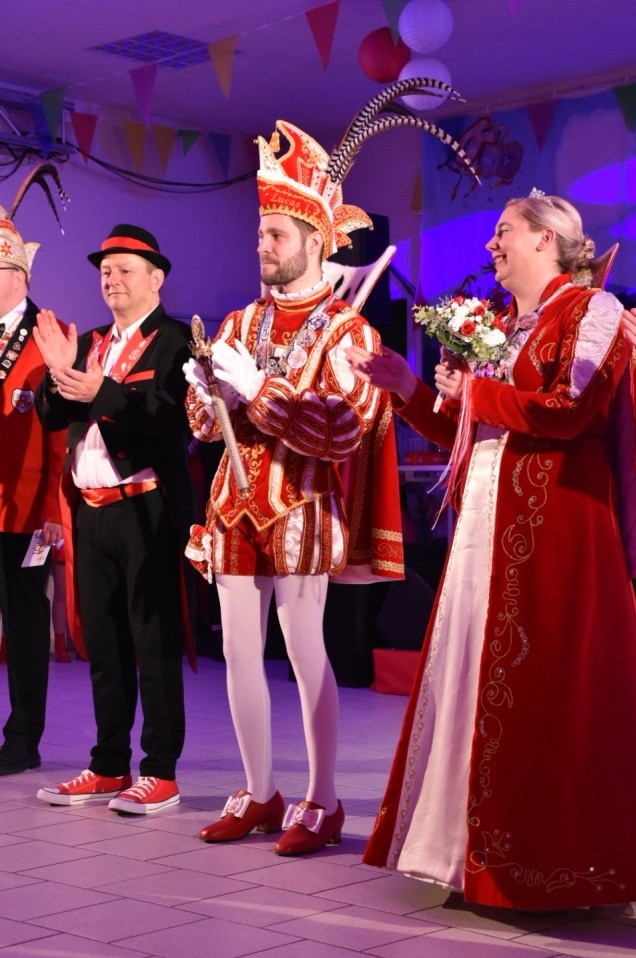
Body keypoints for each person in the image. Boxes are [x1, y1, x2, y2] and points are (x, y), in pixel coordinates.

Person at [348, 190, 636, 910]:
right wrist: (409, 389)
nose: (491, 245)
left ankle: (553, 864)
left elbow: (571, 411)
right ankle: (467, 853)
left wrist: (475, 391)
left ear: (546, 239)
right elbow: (473, 431)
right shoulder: (505, 326)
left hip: (556, 526)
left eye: (504, 231)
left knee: (549, 684)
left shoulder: (590, 311)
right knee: (476, 675)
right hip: (486, 529)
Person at [183, 117, 404, 855]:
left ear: (316, 240)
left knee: (305, 652)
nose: (263, 245)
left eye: (277, 234)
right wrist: (209, 393)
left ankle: (324, 799)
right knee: (238, 653)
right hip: (231, 506)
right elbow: (203, 426)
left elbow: (342, 430)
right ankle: (258, 790)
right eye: (260, 234)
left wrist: (257, 393)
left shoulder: (349, 332)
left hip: (302, 505)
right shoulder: (239, 320)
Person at [33, 224, 194, 814]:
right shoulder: (91, 340)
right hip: (92, 510)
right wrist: (58, 374)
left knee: (154, 642)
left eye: (125, 269)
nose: (112, 279)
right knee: (103, 644)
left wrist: (102, 390)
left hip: (147, 508)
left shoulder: (176, 341)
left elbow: (169, 421)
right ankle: (107, 764)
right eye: (106, 270)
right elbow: (52, 417)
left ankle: (161, 771)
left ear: (157, 278)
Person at [0, 167, 68, 776]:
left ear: (19, 277)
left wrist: (52, 511)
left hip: (27, 510)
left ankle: (23, 737)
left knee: (24, 626)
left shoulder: (51, 335)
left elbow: (59, 436)